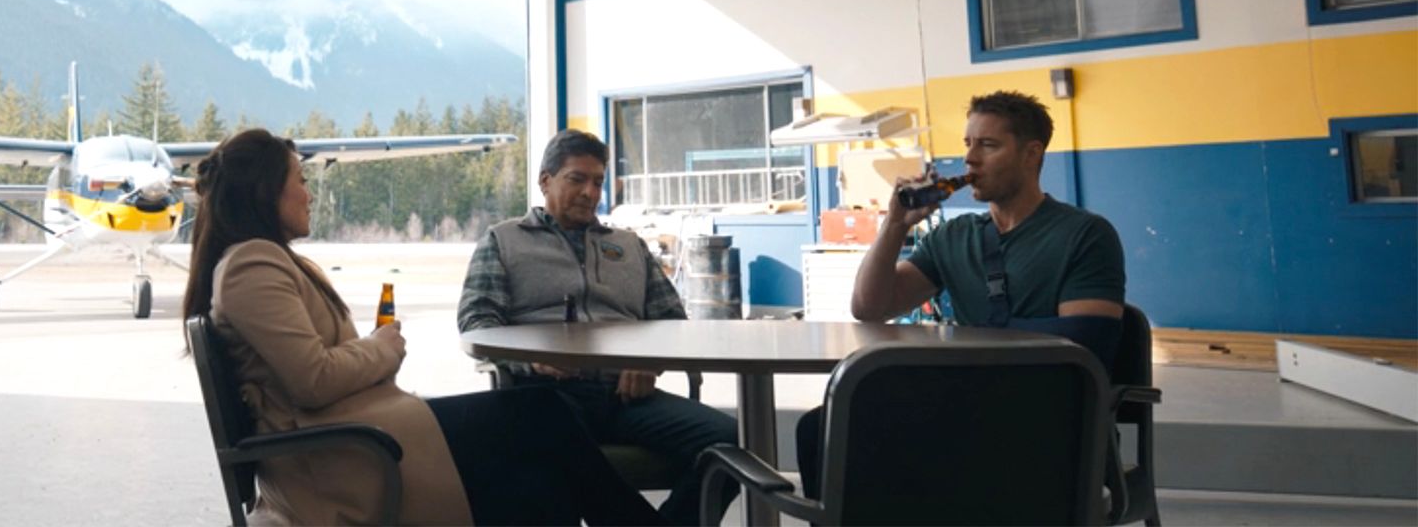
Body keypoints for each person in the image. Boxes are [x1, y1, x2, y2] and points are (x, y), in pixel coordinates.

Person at [183, 128, 665, 527]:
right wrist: (383, 346)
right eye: (300, 179)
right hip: (346, 452)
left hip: (362, 433)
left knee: (538, 466)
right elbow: (313, 380)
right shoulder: (252, 265)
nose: (309, 193)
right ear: (266, 191)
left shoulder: (266, 261)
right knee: (541, 416)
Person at [809, 89, 1127, 498]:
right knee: (823, 429)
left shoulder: (1084, 234)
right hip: (965, 404)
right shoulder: (954, 237)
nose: (970, 159)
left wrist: (964, 340)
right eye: (968, 144)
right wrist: (894, 227)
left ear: (1032, 154)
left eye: (989, 145)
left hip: (1046, 419)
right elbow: (870, 308)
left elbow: (1085, 346)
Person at [457, 129, 737, 526]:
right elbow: (476, 322)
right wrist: (531, 363)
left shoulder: (628, 246)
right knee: (544, 446)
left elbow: (672, 321)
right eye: (577, 179)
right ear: (545, 181)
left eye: (598, 182)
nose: (590, 192)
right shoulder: (504, 241)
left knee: (731, 440)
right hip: (548, 397)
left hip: (626, 395)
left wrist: (648, 361)